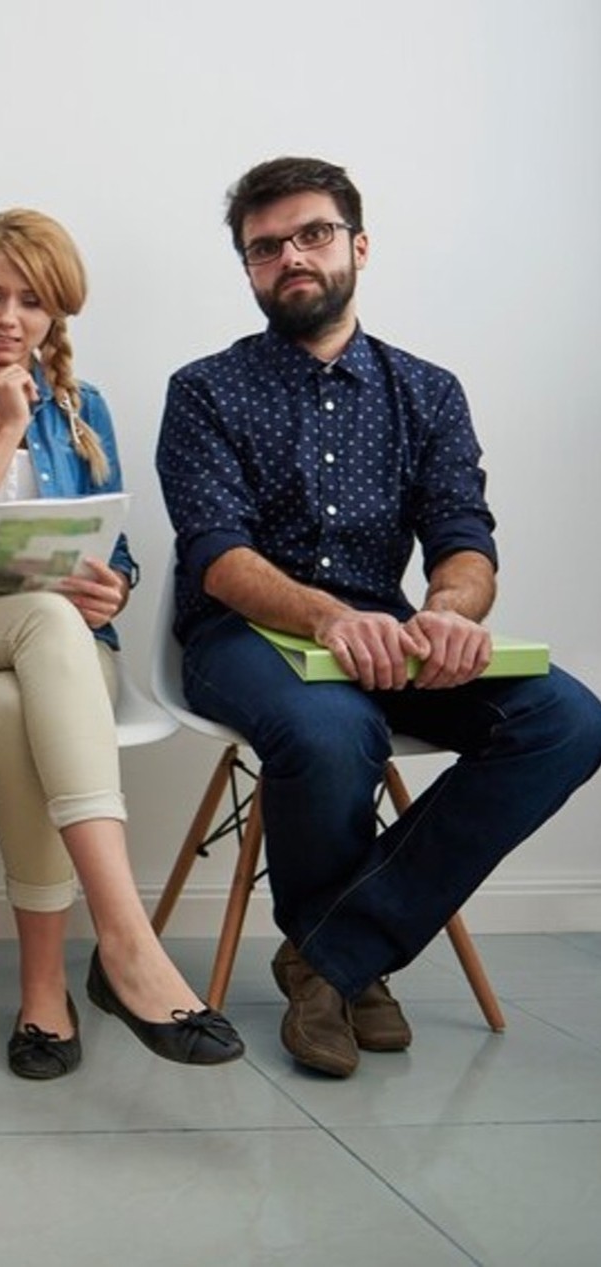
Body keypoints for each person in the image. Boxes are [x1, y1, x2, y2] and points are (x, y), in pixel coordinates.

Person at [157, 156, 601, 1077]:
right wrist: (327, 617)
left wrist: (451, 613)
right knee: (334, 727)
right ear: (249, 268)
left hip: (391, 633)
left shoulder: (428, 390)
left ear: (358, 246)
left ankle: (332, 955)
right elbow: (217, 553)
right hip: (237, 637)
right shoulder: (205, 388)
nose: (291, 256)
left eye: (312, 234)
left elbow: (463, 535)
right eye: (266, 246)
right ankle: (349, 968)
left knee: (568, 719)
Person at [0, 210, 244, 1077]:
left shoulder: (86, 406)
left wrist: (117, 587)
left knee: (13, 698)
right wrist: (4, 430)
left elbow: (116, 548)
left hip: (60, 660)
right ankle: (126, 940)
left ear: (56, 311)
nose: (9, 317)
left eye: (31, 301)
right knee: (41, 618)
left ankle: (44, 993)